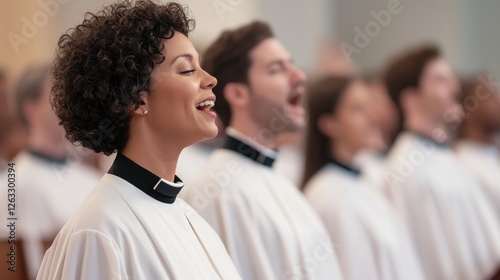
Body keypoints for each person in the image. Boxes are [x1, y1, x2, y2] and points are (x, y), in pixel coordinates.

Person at [36, 1, 241, 279]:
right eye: (187, 70)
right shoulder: (99, 231)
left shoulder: (193, 221)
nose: (211, 80)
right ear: (136, 98)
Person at [181, 21, 343, 280]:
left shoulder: (278, 180)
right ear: (238, 94)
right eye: (277, 69)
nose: (299, 76)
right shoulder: (217, 193)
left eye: (291, 63)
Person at [382, 45, 500, 280]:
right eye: (439, 80)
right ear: (410, 99)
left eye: (451, 78)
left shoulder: (445, 156)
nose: (454, 88)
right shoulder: (406, 168)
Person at [302, 76, 424, 280]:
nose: (373, 117)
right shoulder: (329, 196)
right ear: (328, 124)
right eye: (358, 109)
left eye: (371, 106)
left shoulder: (364, 179)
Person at [0, 65, 101, 279]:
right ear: (30, 109)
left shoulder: (93, 181)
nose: (68, 106)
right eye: (57, 96)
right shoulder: (12, 185)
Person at [455, 77, 500, 216]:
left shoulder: (492, 155)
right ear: (469, 107)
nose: (498, 102)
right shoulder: (461, 164)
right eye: (489, 96)